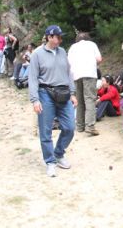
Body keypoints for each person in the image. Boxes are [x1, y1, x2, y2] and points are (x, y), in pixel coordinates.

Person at [28, 24, 78, 177]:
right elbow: (32, 78)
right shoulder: (37, 54)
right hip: (45, 93)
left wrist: (72, 92)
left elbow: (68, 73)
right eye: (58, 37)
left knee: (69, 127)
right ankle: (50, 161)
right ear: (49, 37)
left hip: (63, 93)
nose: (60, 40)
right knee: (46, 130)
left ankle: (58, 153)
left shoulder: (62, 52)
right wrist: (35, 100)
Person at [67, 32, 102, 136]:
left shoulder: (73, 47)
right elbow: (99, 59)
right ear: (88, 38)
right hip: (89, 74)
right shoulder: (92, 45)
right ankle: (90, 126)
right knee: (90, 99)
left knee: (79, 100)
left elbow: (68, 63)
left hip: (76, 75)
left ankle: (80, 126)